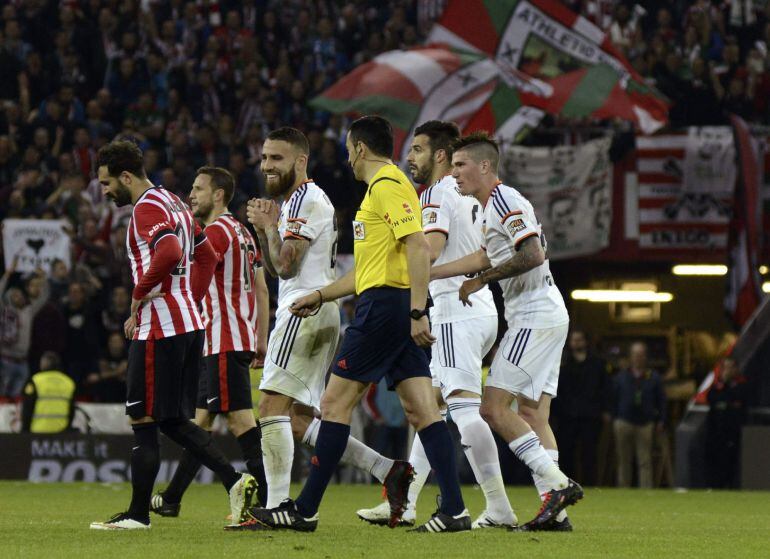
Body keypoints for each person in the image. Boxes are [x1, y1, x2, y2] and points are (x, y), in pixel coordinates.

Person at [242, 116, 470, 533]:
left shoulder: (387, 185)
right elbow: (367, 269)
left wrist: (418, 310)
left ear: (359, 148)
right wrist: (322, 294)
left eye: (348, 149)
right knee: (423, 411)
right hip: (388, 302)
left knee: (332, 407)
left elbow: (418, 246)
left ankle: (304, 509)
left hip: (386, 308)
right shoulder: (380, 191)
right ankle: (454, 509)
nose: (347, 157)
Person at [230, 127, 411, 528]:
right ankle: (386, 469)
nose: (267, 166)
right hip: (313, 308)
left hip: (304, 310)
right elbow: (282, 266)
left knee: (270, 407)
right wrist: (270, 227)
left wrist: (265, 226)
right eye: (263, 158)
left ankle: (277, 506)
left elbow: (287, 265)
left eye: (276, 158)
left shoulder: (306, 200)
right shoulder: (297, 200)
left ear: (299, 160)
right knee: (297, 418)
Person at [89, 140, 256, 530]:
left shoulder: (147, 207)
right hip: (188, 324)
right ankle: (236, 480)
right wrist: (188, 299)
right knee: (171, 419)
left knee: (143, 418)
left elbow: (166, 252)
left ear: (125, 176)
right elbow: (206, 257)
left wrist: (138, 295)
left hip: (159, 328)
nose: (105, 190)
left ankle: (137, 515)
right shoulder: (176, 203)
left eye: (106, 182)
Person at [357, 121, 515, 529]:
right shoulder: (466, 193)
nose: (410, 158)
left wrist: (393, 248)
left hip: (452, 309)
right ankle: (406, 501)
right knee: (432, 409)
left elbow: (428, 250)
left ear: (439, 156)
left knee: (462, 409)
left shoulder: (434, 193)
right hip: (479, 307)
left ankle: (498, 505)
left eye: (418, 150)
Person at [430, 132, 582, 531]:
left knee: (492, 408)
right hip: (544, 312)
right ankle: (557, 514)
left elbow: (533, 254)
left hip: (534, 314)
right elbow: (483, 255)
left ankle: (557, 485)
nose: (454, 173)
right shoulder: (484, 209)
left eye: (460, 165)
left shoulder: (504, 200)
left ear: (484, 166)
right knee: (533, 414)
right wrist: (432, 272)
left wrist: (483, 280)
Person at [150, 166, 270, 517]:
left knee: (240, 423)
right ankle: (171, 498)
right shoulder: (244, 233)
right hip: (237, 337)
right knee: (199, 423)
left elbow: (192, 281)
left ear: (219, 195)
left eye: (198, 188)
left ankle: (270, 500)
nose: (192, 194)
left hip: (222, 339)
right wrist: (260, 339)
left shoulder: (214, 233)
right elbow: (261, 288)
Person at [553, 329, 611, 486]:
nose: (576, 343)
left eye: (579, 340)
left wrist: (605, 410)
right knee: (566, 453)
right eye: (574, 340)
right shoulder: (563, 364)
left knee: (590, 453)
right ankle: (567, 485)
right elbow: (557, 391)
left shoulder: (598, 364)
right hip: (568, 416)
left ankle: (590, 484)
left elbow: (604, 389)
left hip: (590, 415)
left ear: (586, 342)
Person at [611, 341, 666, 488]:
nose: (638, 358)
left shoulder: (653, 377)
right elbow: (612, 397)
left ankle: (646, 490)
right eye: (635, 355)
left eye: (641, 355)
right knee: (624, 459)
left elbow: (661, 400)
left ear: (645, 357)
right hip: (624, 421)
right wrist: (614, 417)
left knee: (645, 459)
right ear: (631, 357)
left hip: (645, 423)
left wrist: (661, 420)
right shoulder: (621, 377)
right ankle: (623, 489)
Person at [0, 261, 50, 398]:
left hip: (23, 361)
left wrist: (43, 279)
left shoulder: (28, 311)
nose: (19, 296)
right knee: (2, 396)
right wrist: (7, 275)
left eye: (20, 294)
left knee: (17, 397)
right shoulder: (4, 312)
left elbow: (43, 298)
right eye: (14, 295)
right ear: (9, 299)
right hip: (5, 361)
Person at [706, 356, 748, 488]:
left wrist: (726, 404)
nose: (728, 371)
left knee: (731, 464)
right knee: (715, 463)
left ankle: (731, 488)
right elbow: (711, 398)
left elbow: (739, 403)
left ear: (736, 369)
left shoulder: (741, 386)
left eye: (731, 367)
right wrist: (722, 384)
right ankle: (715, 487)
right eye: (726, 367)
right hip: (716, 432)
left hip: (733, 432)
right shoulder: (717, 386)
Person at [20, 351, 75, 433]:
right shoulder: (69, 382)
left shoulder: (35, 381)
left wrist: (25, 430)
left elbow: (27, 408)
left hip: (38, 431)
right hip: (61, 432)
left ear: (44, 364)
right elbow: (71, 410)